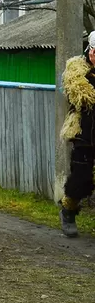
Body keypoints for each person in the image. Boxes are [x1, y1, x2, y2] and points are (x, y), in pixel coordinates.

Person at [59, 31, 95, 237]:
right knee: (80, 179)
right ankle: (68, 211)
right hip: (84, 133)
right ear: (90, 51)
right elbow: (81, 96)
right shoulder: (76, 70)